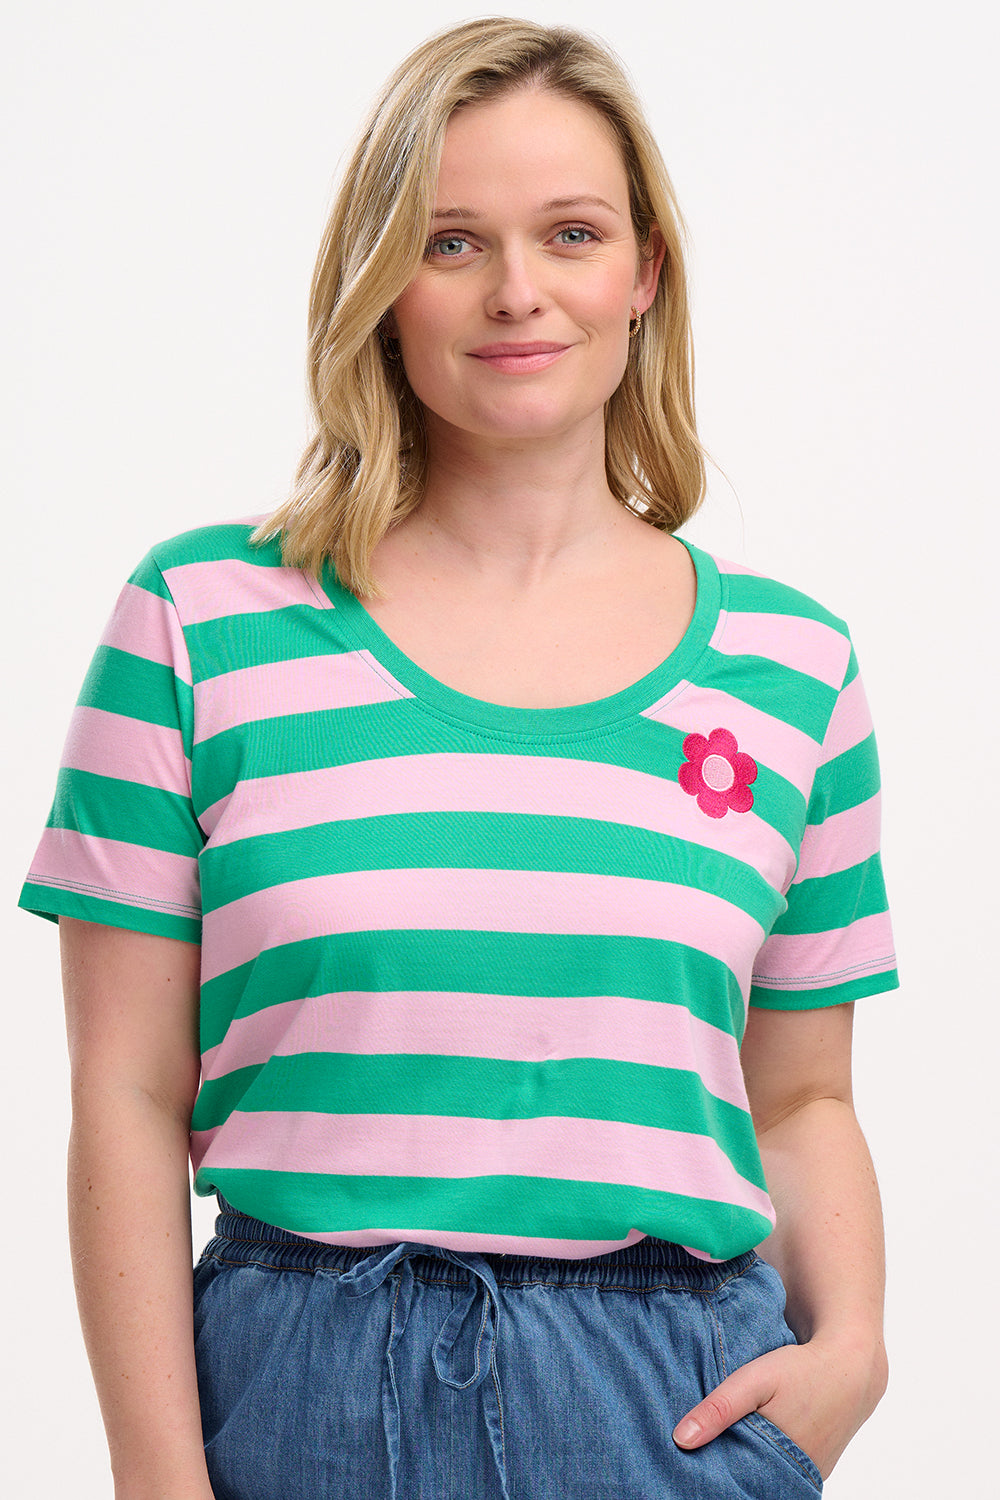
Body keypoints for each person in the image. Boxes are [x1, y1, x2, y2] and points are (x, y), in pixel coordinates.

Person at [20, 17, 898, 1500]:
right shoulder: (197, 622)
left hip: (670, 1402)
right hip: (294, 1388)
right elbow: (125, 1092)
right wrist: (157, 1481)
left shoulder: (793, 669)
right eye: (450, 242)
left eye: (572, 233)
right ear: (381, 285)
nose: (516, 292)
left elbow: (803, 1096)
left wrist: (854, 1348)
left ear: (644, 273)